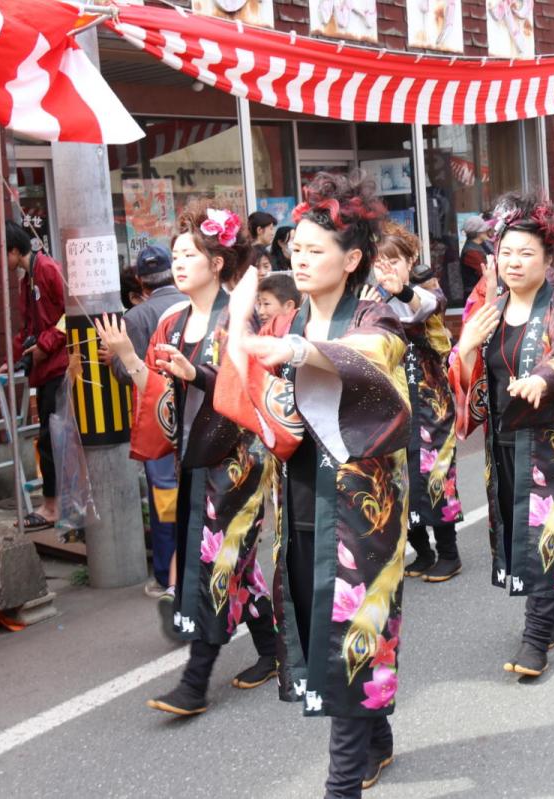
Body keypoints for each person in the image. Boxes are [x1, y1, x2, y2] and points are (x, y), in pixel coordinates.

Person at [216, 172, 409, 797]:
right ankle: (375, 738)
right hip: (299, 503)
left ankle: (341, 784)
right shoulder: (288, 320)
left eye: (315, 248)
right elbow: (254, 400)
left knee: (350, 633)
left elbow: (374, 354)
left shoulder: (375, 316)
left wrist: (301, 352)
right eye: (294, 247)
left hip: (359, 510)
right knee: (319, 629)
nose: (299, 257)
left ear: (352, 259)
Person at [98, 202, 277, 716]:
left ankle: (194, 683)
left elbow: (255, 388)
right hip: (193, 456)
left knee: (215, 563)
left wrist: (195, 374)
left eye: (189, 254)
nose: (178, 263)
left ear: (217, 262)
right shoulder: (172, 319)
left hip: (238, 460)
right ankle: (273, 649)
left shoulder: (240, 317)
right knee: (236, 561)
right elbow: (154, 392)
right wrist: (131, 358)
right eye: (175, 254)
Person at [450, 191, 554, 677]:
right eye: (505, 252)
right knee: (521, 534)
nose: (513, 262)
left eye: (526, 252)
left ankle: (535, 640)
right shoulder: (487, 308)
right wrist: (465, 346)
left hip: (553, 446)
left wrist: (543, 376)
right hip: (504, 442)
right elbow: (467, 374)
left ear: (548, 259)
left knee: (543, 532)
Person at [364, 224, 464, 583]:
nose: (387, 268)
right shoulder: (367, 298)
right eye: (380, 261)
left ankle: (449, 553)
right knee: (398, 474)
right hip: (390, 398)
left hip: (428, 397)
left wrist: (402, 290)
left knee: (433, 472)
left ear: (411, 260)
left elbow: (424, 308)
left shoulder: (426, 290)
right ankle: (421, 551)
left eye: (395, 260)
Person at [106, 246, 184, 601]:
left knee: (165, 494)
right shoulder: (192, 302)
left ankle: (167, 576)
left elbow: (129, 373)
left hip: (158, 415)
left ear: (141, 281)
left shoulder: (136, 317)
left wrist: (115, 357)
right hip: (197, 409)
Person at [0, 222, 67, 531]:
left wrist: (44, 347)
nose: (0, 263)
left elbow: (70, 313)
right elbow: (28, 330)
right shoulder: (27, 279)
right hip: (45, 368)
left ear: (14, 250)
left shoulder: (47, 270)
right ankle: (53, 504)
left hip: (58, 367)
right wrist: (13, 359)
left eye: (0, 255)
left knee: (52, 440)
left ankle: (53, 507)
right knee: (48, 438)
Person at [460, 214, 494, 300]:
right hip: (476, 297)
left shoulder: (483, 244)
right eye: (484, 229)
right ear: (478, 233)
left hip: (483, 293)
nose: (487, 230)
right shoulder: (470, 252)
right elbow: (486, 272)